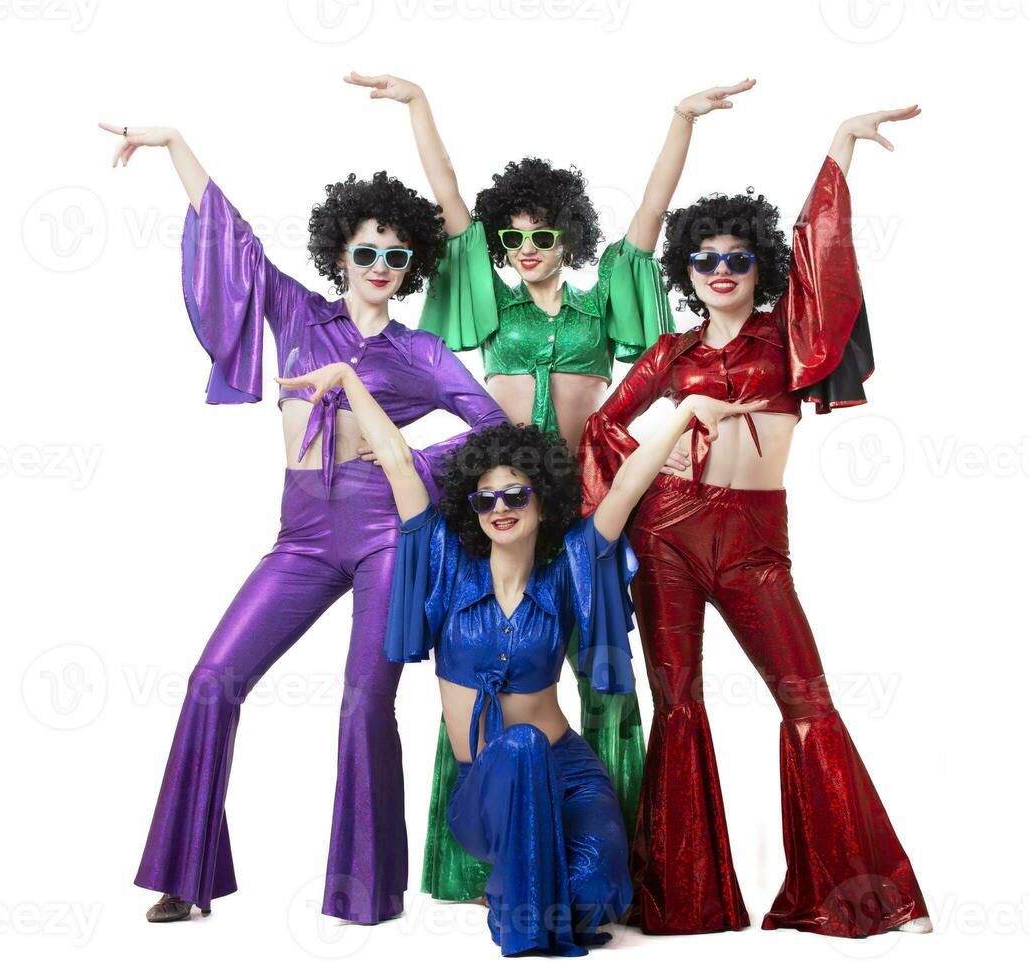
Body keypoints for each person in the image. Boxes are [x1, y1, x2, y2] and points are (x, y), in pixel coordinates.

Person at [346, 70, 755, 899]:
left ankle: (618, 861)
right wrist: (420, 101)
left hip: (583, 508)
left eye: (542, 236)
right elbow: (451, 198)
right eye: (514, 241)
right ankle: (479, 861)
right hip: (492, 510)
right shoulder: (494, 309)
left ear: (568, 237)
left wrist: (681, 117)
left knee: (603, 677)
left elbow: (648, 213)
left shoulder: (602, 305)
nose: (527, 251)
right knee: (481, 668)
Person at [98, 122, 507, 923]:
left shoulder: (422, 352)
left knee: (362, 701)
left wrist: (411, 470)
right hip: (304, 536)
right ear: (340, 257)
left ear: (411, 266)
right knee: (214, 678)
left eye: (395, 257)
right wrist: (177, 144)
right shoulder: (299, 315)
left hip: (389, 536)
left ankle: (363, 892)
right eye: (367, 253)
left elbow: (494, 427)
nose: (381, 269)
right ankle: (187, 876)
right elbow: (234, 242)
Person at [576, 104, 932, 937]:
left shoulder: (787, 340)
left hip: (753, 546)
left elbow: (822, 259)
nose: (720, 269)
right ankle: (682, 902)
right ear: (686, 271)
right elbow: (603, 426)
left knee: (807, 702)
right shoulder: (670, 354)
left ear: (757, 265)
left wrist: (839, 145)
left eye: (736, 258)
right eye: (704, 259)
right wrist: (674, 434)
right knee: (679, 707)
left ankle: (864, 895)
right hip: (664, 537)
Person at [275, 359, 760, 954]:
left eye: (515, 494)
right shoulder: (447, 563)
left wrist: (685, 411)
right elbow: (401, 464)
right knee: (521, 744)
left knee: (594, 895)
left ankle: (533, 887)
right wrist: (350, 380)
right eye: (485, 499)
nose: (500, 508)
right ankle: (521, 909)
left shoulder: (570, 565)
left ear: (542, 498)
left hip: (569, 776)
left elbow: (629, 483)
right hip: (487, 788)